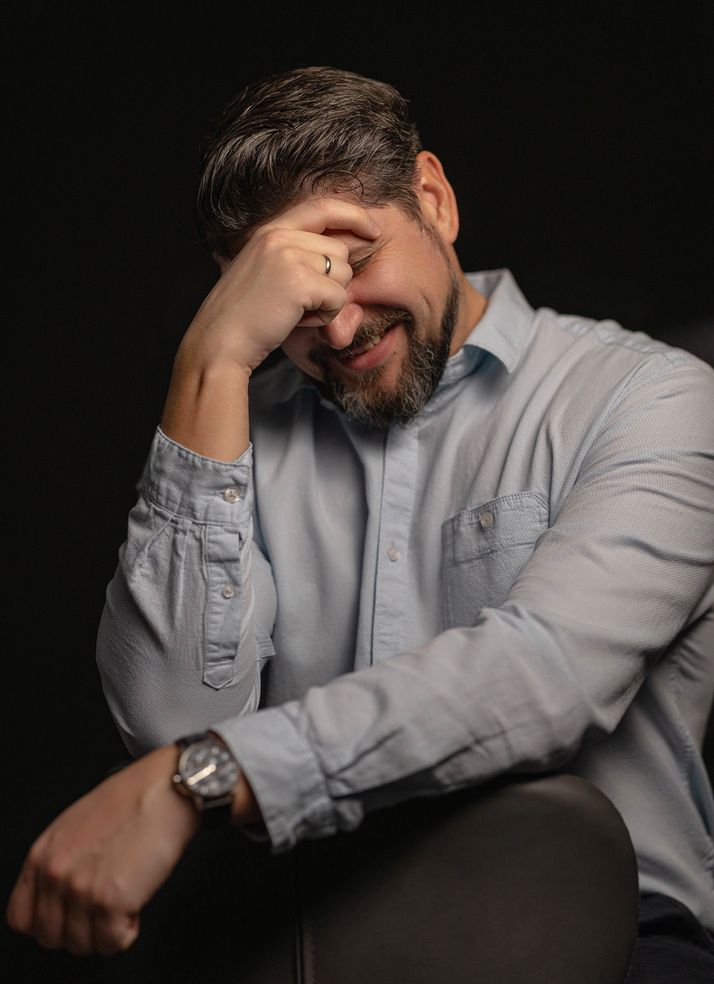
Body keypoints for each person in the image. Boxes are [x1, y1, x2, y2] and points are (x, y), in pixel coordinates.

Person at [7, 66, 714, 981]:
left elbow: (544, 676)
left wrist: (209, 779)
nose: (337, 330)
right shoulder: (229, 432)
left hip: (605, 945)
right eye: (295, 296)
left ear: (434, 201)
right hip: (305, 949)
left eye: (353, 260)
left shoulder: (653, 400)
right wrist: (211, 362)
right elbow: (170, 724)